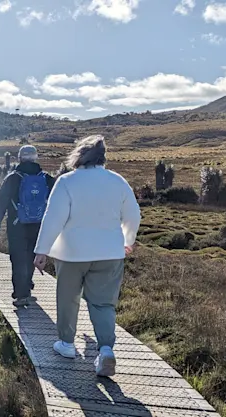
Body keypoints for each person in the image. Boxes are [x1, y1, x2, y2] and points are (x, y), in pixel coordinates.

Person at [32, 135, 141, 377]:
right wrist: (127, 241)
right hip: (109, 253)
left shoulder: (67, 182)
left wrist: (42, 251)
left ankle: (67, 344)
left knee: (68, 298)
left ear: (79, 155)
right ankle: (105, 349)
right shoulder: (118, 181)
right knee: (103, 303)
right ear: (103, 157)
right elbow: (133, 215)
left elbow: (53, 218)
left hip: (71, 253)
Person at [0, 145, 55, 307]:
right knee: (32, 256)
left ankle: (21, 293)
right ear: (35, 157)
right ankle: (27, 286)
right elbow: (56, 203)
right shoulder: (46, 178)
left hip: (17, 225)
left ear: (20, 158)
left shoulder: (13, 178)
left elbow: (1, 201)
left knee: (18, 258)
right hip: (39, 225)